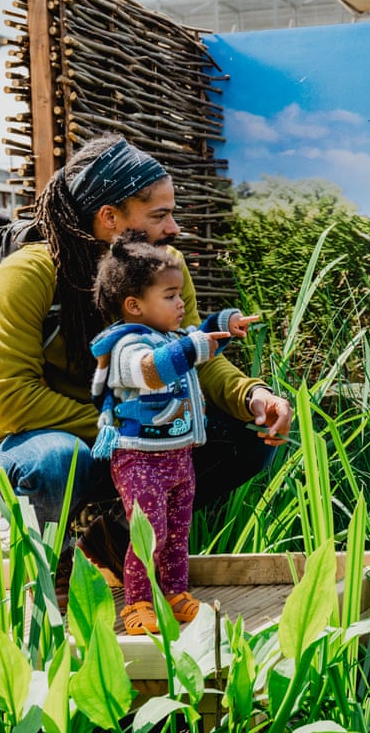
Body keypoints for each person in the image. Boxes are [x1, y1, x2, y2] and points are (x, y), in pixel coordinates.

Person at [0, 134, 292, 582]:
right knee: (58, 459)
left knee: (246, 434)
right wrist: (128, 426)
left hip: (131, 436)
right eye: (159, 216)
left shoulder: (165, 267)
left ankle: (117, 541)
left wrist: (251, 395)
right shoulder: (31, 274)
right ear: (110, 218)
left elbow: (192, 355)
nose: (173, 228)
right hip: (36, 445)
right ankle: (47, 566)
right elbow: (9, 401)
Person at [90, 230, 254, 633]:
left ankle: (175, 594)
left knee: (179, 534)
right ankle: (138, 603)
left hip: (179, 457)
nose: (181, 303)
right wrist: (194, 346)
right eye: (169, 296)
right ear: (134, 304)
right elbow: (153, 370)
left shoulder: (171, 337)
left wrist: (224, 324)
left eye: (179, 294)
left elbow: (196, 342)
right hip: (139, 460)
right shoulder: (127, 346)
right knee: (150, 535)